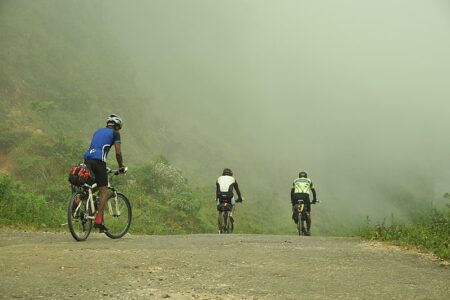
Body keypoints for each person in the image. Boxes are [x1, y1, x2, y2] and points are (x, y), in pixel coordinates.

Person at [83, 114, 127, 233]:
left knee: (90, 187)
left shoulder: (98, 131)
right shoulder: (115, 133)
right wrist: (121, 166)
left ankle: (78, 201)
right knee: (104, 191)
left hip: (87, 159)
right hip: (99, 161)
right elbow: (118, 153)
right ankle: (98, 220)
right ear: (117, 126)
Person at [291, 171, 317, 236]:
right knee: (308, 212)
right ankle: (308, 231)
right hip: (305, 197)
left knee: (294, 206)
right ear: (306, 176)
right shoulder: (309, 181)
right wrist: (314, 200)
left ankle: (295, 215)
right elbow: (313, 191)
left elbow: (292, 191)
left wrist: (292, 201)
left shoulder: (295, 180)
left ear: (299, 176)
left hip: (295, 196)